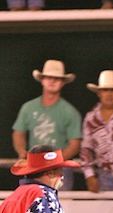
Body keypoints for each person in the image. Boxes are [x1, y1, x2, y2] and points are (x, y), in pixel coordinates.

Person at [12, 59, 82, 190]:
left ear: (63, 83)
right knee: (32, 202)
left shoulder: (70, 112)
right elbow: (18, 133)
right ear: (42, 80)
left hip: (59, 168)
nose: (52, 81)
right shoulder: (28, 107)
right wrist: (22, 152)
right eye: (49, 77)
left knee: (61, 204)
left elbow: (74, 145)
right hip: (33, 167)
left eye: (57, 78)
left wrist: (54, 161)